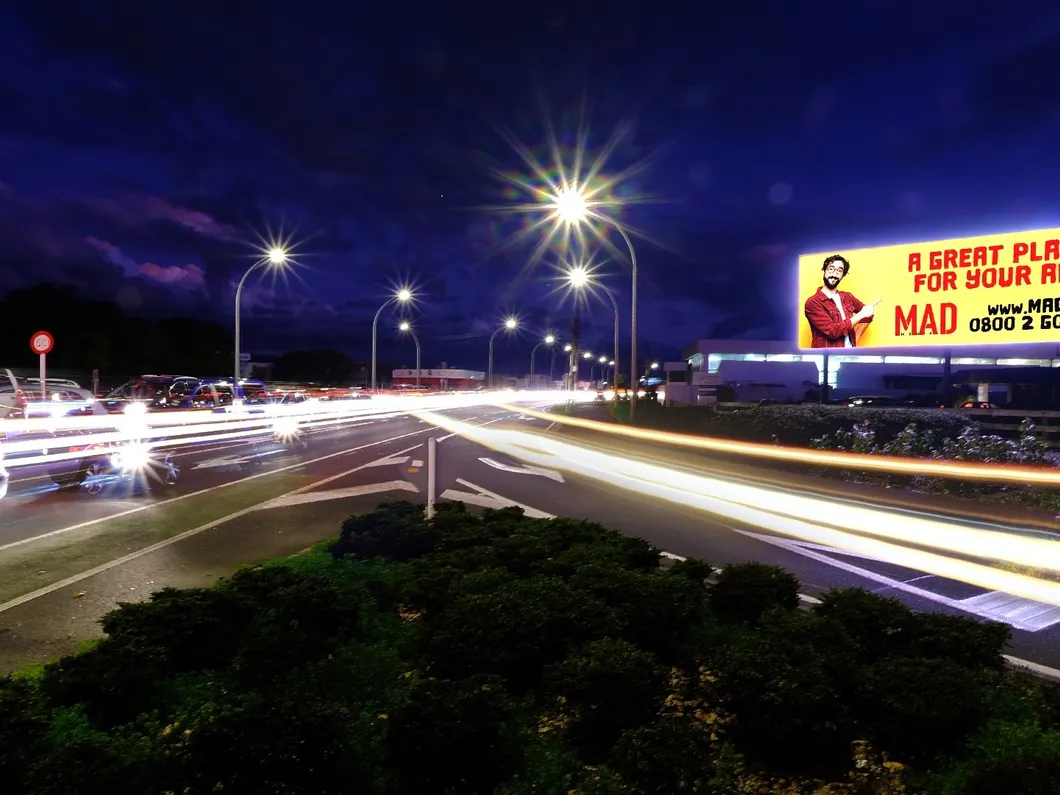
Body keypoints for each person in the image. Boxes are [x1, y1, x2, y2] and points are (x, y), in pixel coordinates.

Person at [804, 254, 876, 348]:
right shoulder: (813, 303)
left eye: (839, 271)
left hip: (850, 355)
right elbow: (833, 331)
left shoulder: (848, 297)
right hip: (828, 357)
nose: (834, 274)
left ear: (842, 275)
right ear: (824, 271)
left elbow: (869, 315)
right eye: (831, 269)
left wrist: (854, 339)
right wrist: (861, 314)